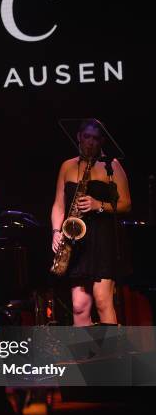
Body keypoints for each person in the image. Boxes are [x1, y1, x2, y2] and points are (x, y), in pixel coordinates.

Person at [51, 120, 131, 326]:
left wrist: (98, 205)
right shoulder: (67, 166)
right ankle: (84, 357)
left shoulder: (111, 166)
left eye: (95, 138)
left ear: (102, 141)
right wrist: (55, 232)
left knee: (103, 302)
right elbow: (59, 204)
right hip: (76, 241)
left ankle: (111, 356)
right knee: (79, 305)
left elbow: (126, 204)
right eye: (86, 137)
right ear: (79, 137)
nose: (90, 142)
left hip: (103, 239)